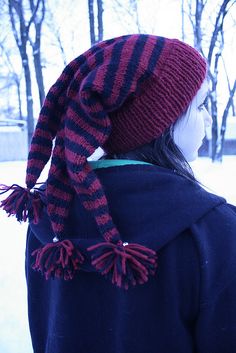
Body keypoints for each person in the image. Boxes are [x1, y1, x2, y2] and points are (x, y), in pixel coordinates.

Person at [1, 34, 236, 353]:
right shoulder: (215, 229)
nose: (208, 117)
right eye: (200, 106)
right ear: (160, 121)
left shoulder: (51, 219)